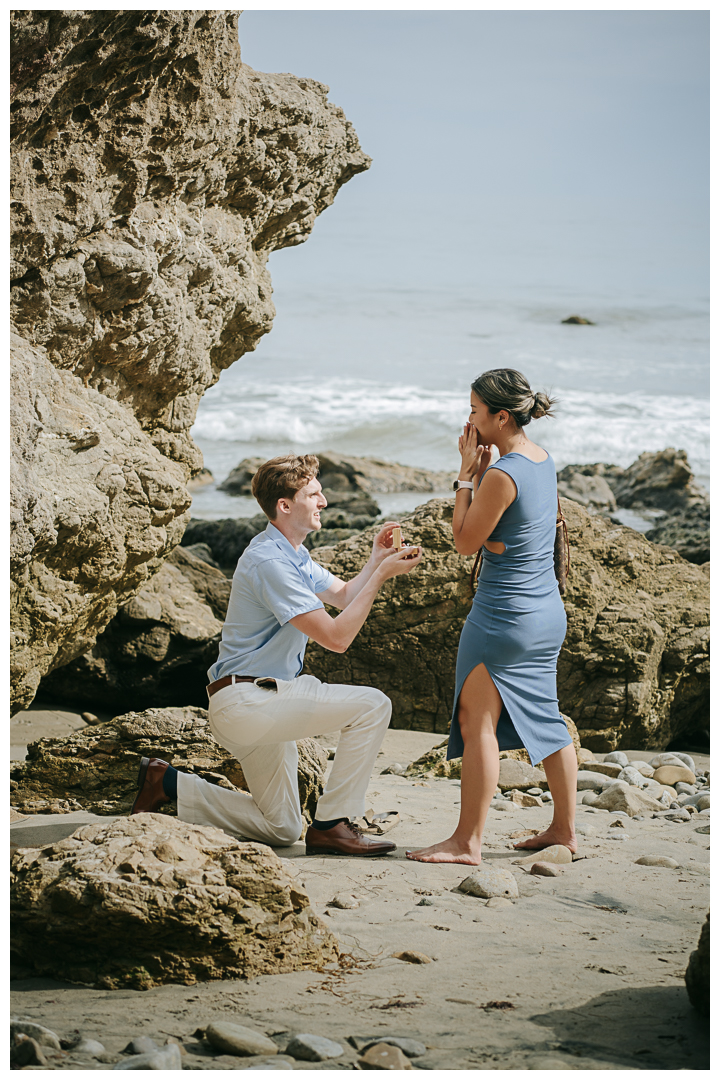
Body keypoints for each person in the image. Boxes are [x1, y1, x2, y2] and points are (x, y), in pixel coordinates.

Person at [131, 453, 422, 857]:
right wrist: (383, 577)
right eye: (314, 494)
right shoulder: (271, 562)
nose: (323, 502)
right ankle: (333, 825)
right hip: (249, 701)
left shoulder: (289, 552)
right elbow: (337, 638)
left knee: (281, 827)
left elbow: (342, 596)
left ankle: (167, 784)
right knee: (373, 706)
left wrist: (376, 562)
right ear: (285, 506)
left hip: (254, 703)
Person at [407, 368, 576, 864]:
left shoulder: (501, 475)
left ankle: (467, 842)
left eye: (476, 411)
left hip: (504, 618)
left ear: (501, 417)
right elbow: (519, 529)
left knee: (476, 718)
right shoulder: (541, 460)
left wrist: (465, 476)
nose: (469, 419)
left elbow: (464, 542)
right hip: (546, 614)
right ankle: (564, 829)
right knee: (546, 720)